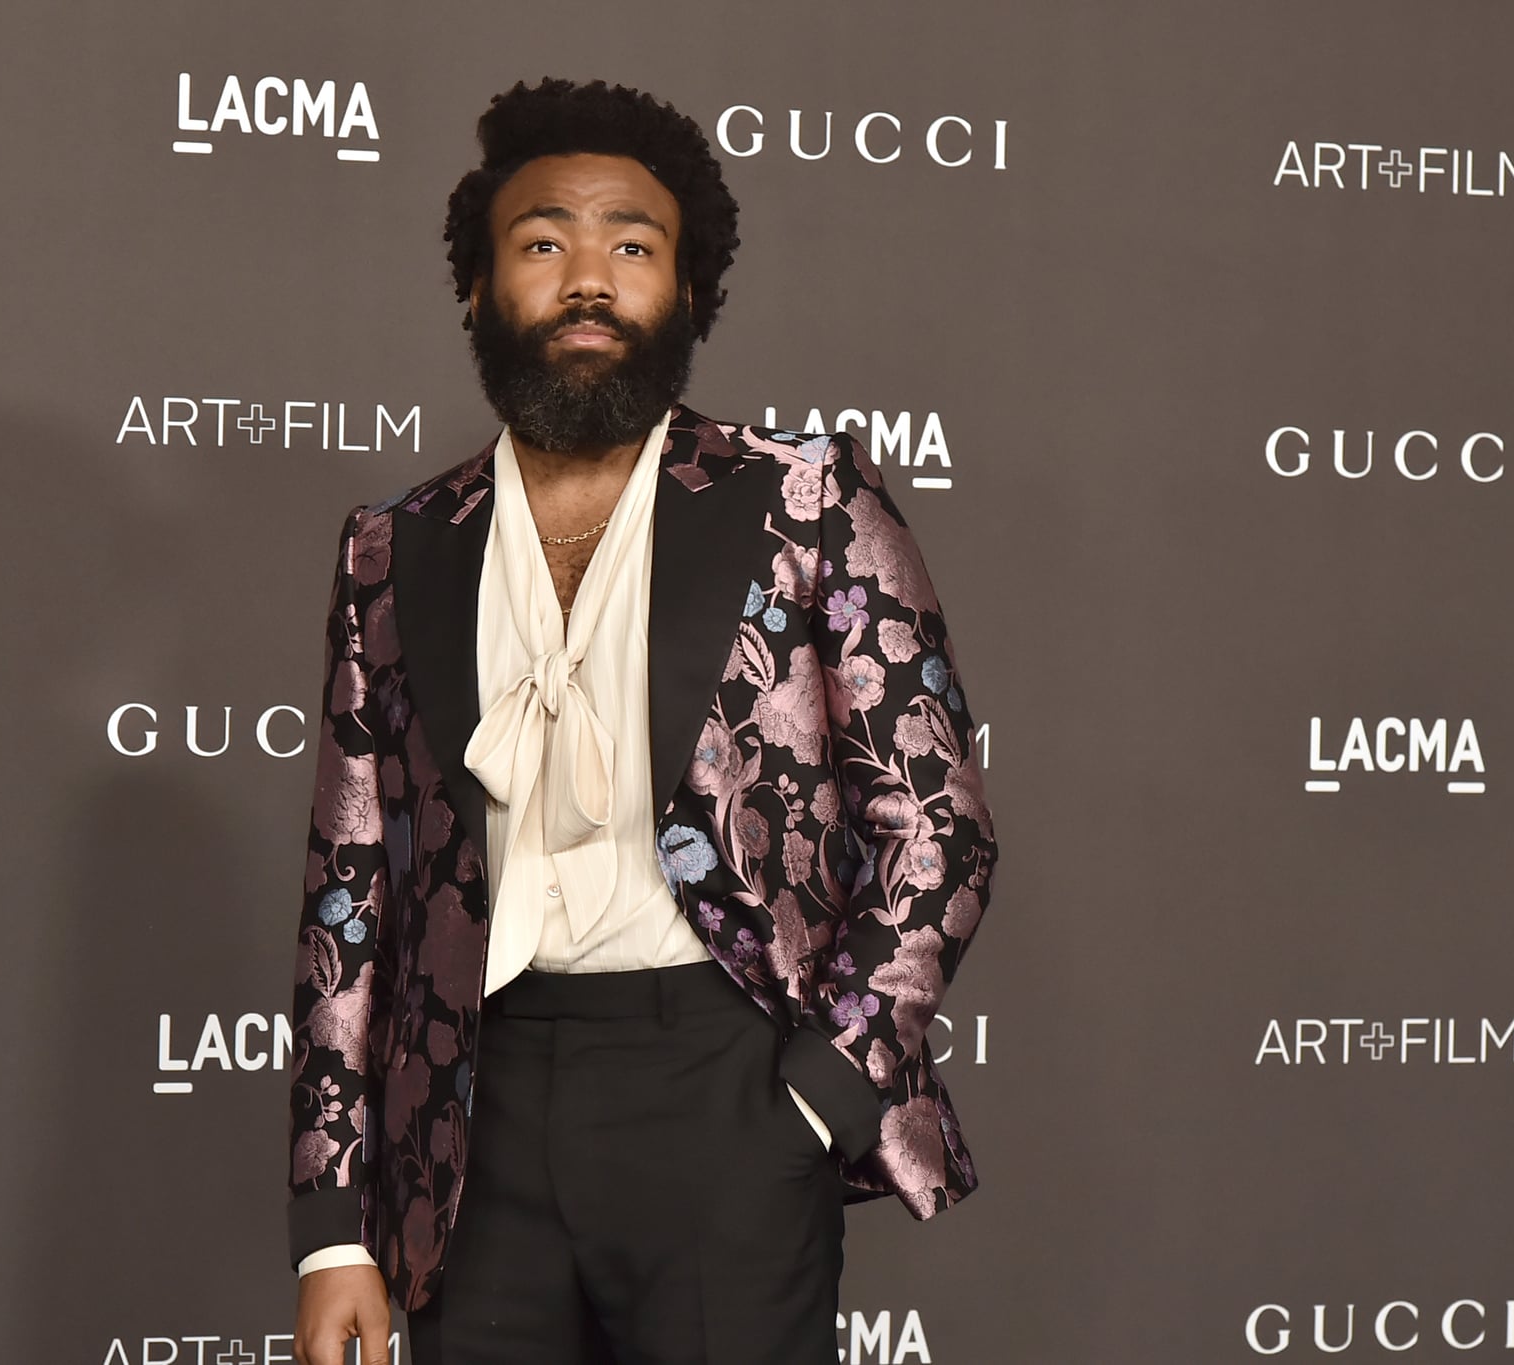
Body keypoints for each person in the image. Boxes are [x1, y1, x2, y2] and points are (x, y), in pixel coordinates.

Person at [286, 77, 997, 1365]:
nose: (588, 278)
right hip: (471, 1118)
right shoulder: (394, 551)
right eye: (545, 242)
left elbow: (938, 829)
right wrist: (333, 1224)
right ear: (479, 287)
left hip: (724, 1089)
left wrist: (816, 1098)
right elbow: (351, 895)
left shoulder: (806, 503)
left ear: (687, 289)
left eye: (633, 245)